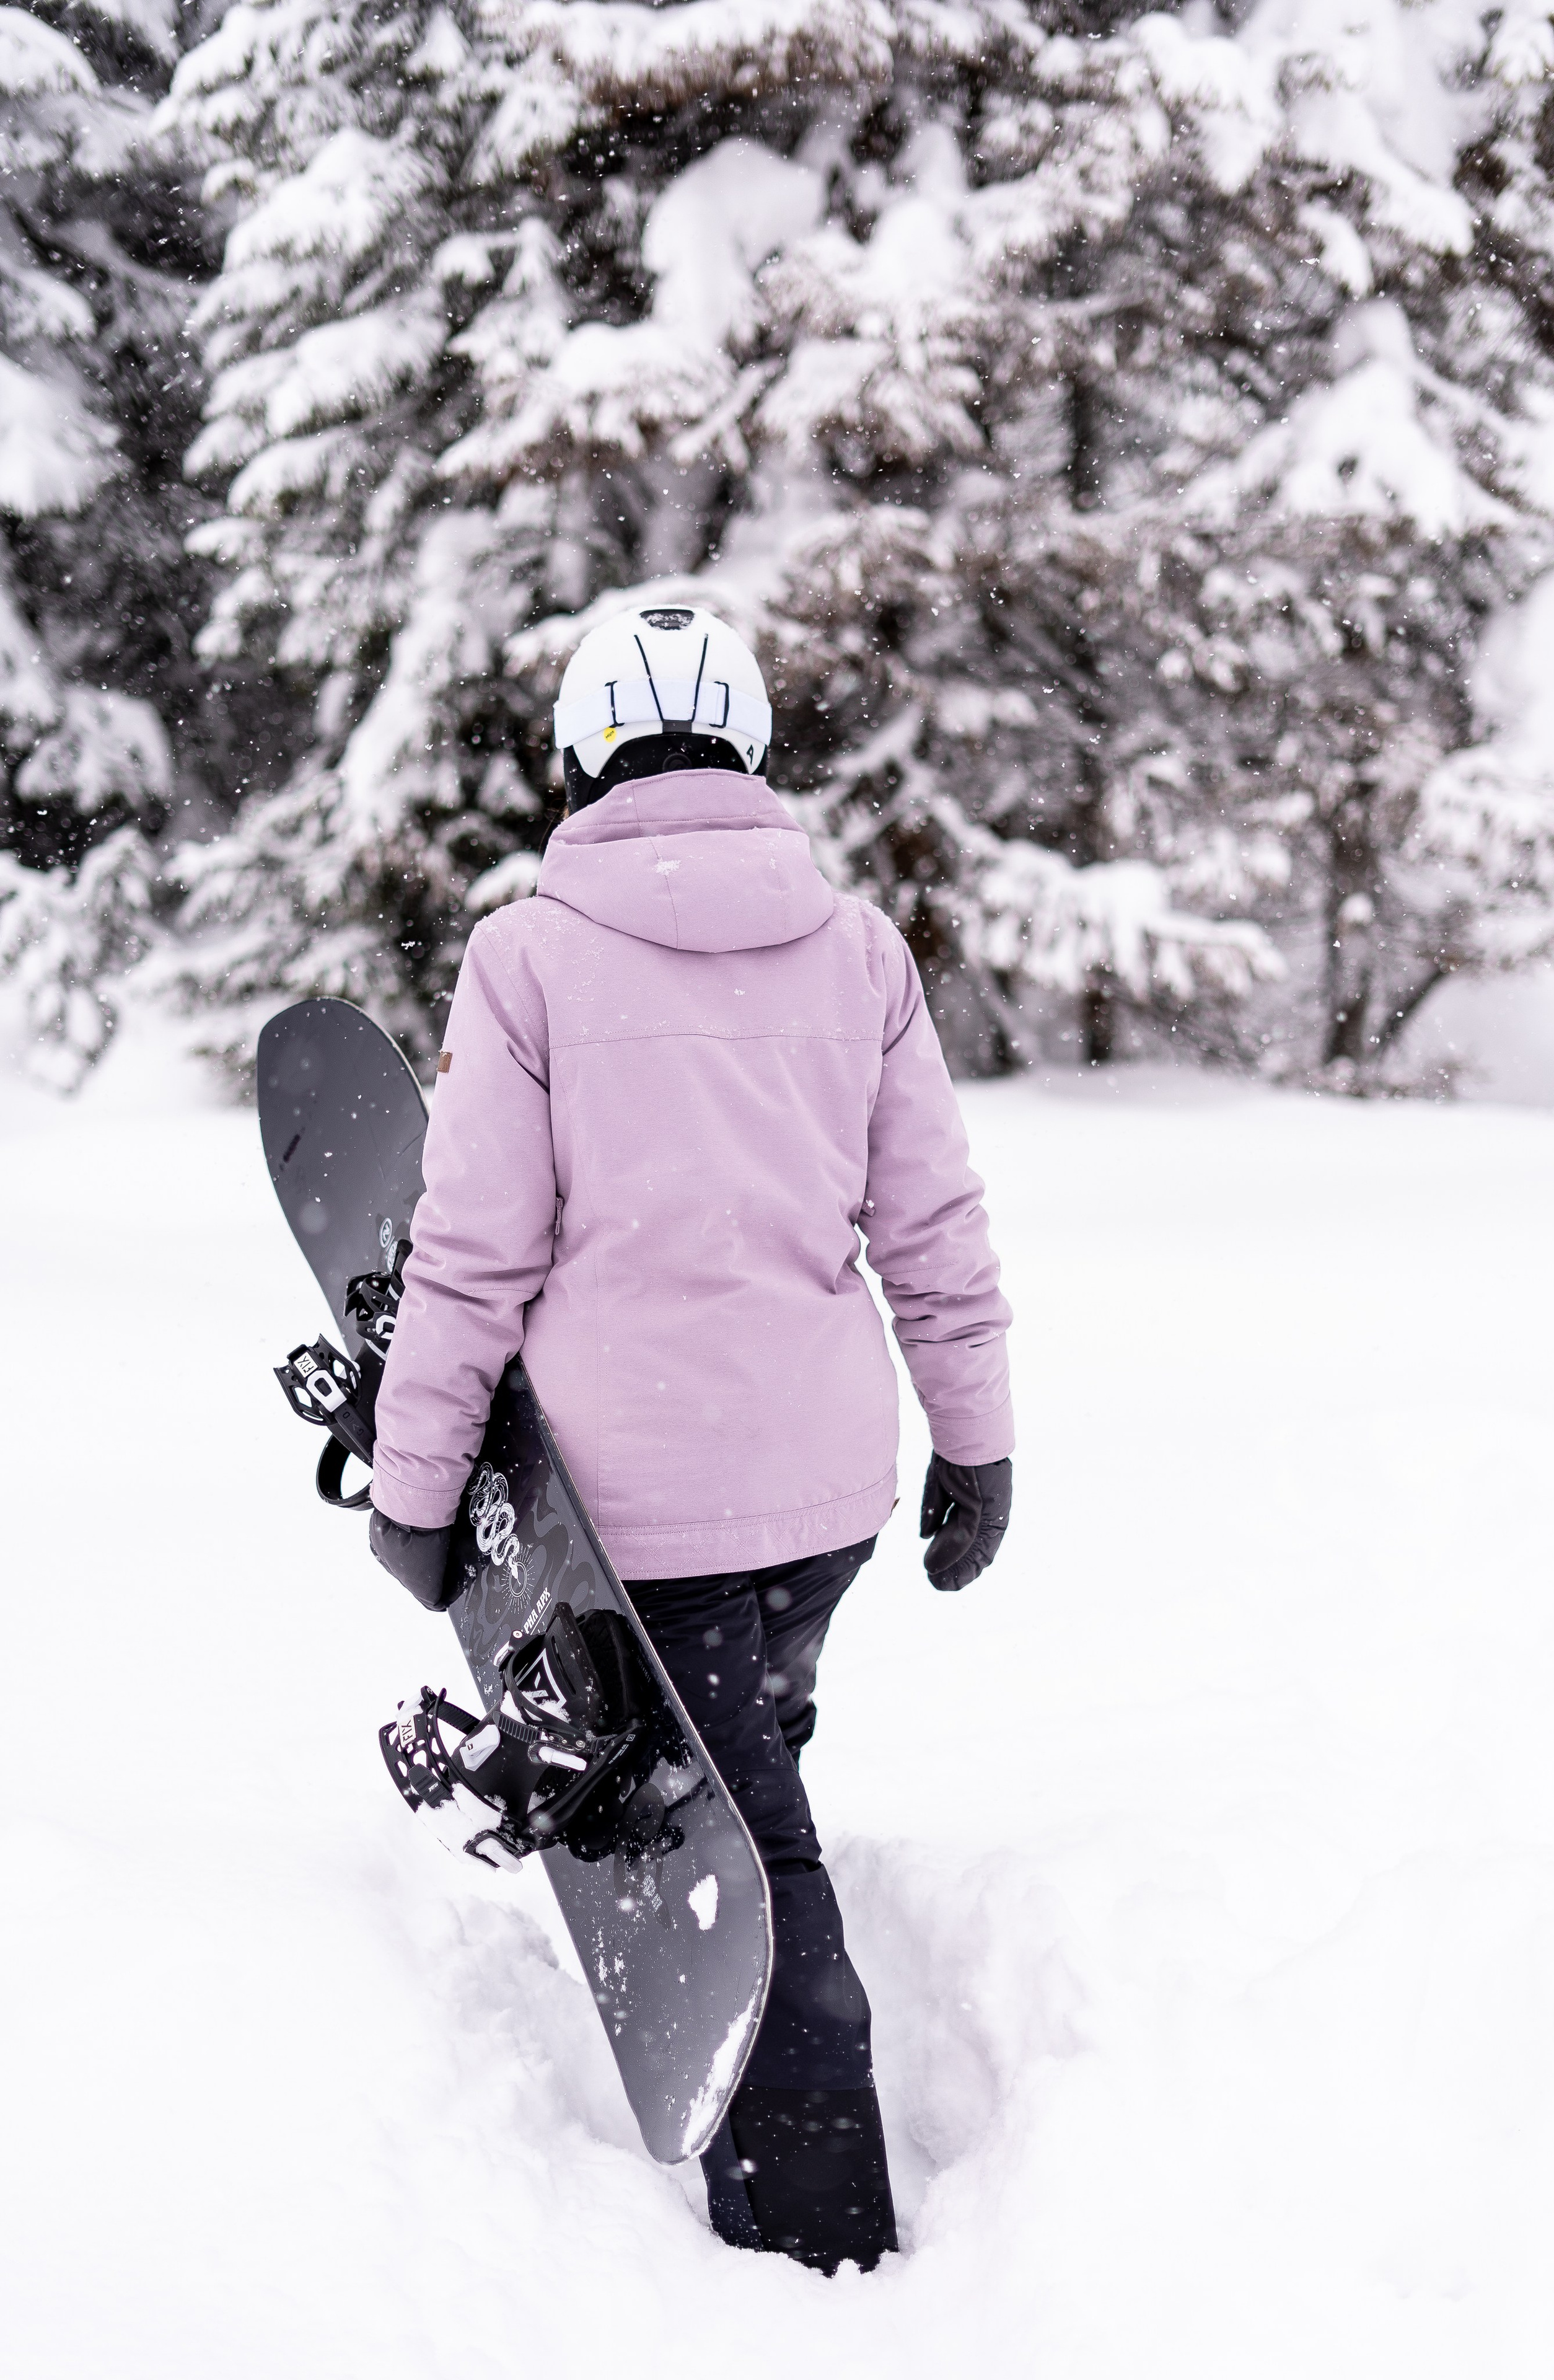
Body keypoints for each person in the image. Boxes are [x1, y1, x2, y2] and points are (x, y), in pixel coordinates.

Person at [366, 602, 1014, 2273]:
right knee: (747, 1762)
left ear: (585, 755)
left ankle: (820, 2239)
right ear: (744, 749)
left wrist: (423, 1489)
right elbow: (931, 1221)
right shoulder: (858, 949)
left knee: (753, 1850)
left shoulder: (528, 960)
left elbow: (471, 1253)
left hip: (638, 1516)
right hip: (822, 1503)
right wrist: (977, 1445)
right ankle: (765, 2104)